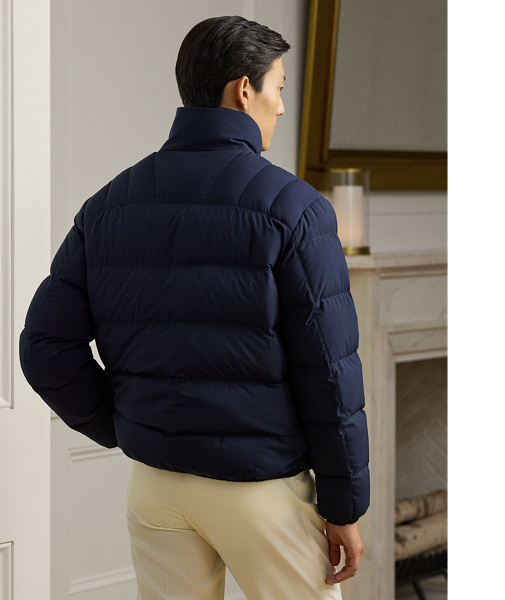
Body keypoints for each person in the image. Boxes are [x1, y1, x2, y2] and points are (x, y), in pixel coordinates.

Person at [20, 15, 370, 600]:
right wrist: (345, 505)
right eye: (279, 87)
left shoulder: (109, 206)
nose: (283, 106)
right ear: (244, 90)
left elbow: (44, 346)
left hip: (156, 487)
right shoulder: (294, 208)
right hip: (260, 490)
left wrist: (123, 423)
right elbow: (329, 373)